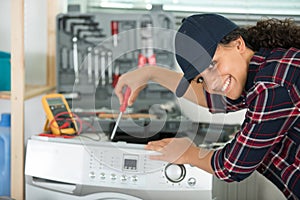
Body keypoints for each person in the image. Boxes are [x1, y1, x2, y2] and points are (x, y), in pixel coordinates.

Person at [114, 13, 300, 199]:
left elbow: (233, 166)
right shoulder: (265, 69)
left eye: (212, 64)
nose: (212, 85)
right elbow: (208, 96)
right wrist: (150, 73)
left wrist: (189, 153)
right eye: (201, 78)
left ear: (238, 44)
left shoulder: (273, 84)